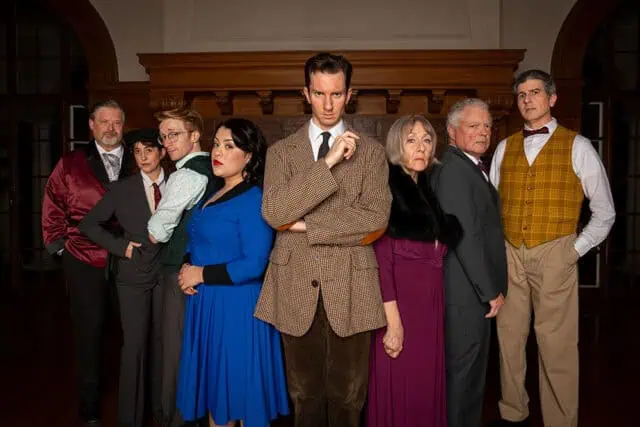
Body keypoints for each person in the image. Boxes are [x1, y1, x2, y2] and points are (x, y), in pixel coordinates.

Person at [255, 52, 392, 427]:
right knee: (305, 396)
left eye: (336, 94)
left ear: (349, 95)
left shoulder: (373, 154)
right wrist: (328, 161)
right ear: (306, 93)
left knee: (349, 397)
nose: (328, 104)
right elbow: (275, 213)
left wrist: (304, 225)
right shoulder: (281, 153)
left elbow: (375, 217)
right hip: (293, 285)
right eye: (319, 94)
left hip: (353, 285)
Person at [489, 70, 615, 427]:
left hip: (555, 252)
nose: (527, 100)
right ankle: (513, 412)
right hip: (510, 251)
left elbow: (605, 212)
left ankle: (561, 420)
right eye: (521, 95)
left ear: (552, 99)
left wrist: (573, 250)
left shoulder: (578, 146)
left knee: (557, 344)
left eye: (535, 93)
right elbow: (492, 206)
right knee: (509, 340)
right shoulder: (504, 147)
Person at [175, 118, 289, 427]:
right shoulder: (214, 193)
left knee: (238, 399)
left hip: (236, 309)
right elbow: (199, 239)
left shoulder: (253, 199)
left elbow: (254, 264)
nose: (218, 152)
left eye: (229, 146)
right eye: (216, 144)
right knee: (216, 395)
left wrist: (200, 275)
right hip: (208, 306)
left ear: (249, 156)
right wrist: (187, 266)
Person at [42, 100, 133, 426]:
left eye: (117, 123)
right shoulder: (70, 163)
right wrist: (60, 249)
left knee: (132, 331)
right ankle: (90, 404)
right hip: (82, 257)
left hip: (128, 258)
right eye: (104, 122)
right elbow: (52, 203)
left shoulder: (139, 160)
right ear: (91, 126)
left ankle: (133, 400)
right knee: (89, 330)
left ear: (123, 126)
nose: (111, 128)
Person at [366, 115, 460, 427]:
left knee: (424, 391)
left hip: (428, 314)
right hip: (399, 312)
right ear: (396, 146)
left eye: (426, 139)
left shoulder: (427, 193)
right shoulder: (387, 191)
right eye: (411, 140)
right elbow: (382, 265)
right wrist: (393, 325)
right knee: (401, 391)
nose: (421, 147)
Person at [79, 128, 166, 427]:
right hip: (133, 278)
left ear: (162, 152)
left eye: (149, 150)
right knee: (135, 348)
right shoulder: (122, 188)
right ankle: (130, 420)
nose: (143, 157)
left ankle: (163, 415)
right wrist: (122, 247)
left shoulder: (181, 184)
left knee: (165, 347)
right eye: (137, 151)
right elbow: (89, 224)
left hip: (168, 277)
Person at [431, 98, 508, 427]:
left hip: (469, 293)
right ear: (451, 131)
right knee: (463, 380)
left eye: (487, 126)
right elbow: (464, 236)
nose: (483, 132)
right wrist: (489, 290)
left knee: (472, 378)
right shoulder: (453, 171)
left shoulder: (470, 166)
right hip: (464, 294)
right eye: (473, 126)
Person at [147, 107, 220, 427]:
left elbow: (158, 229)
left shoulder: (186, 174)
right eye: (163, 136)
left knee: (174, 353)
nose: (167, 142)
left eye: (174, 134)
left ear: (195, 136)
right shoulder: (217, 169)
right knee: (195, 349)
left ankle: (175, 420)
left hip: (177, 271)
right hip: (205, 272)